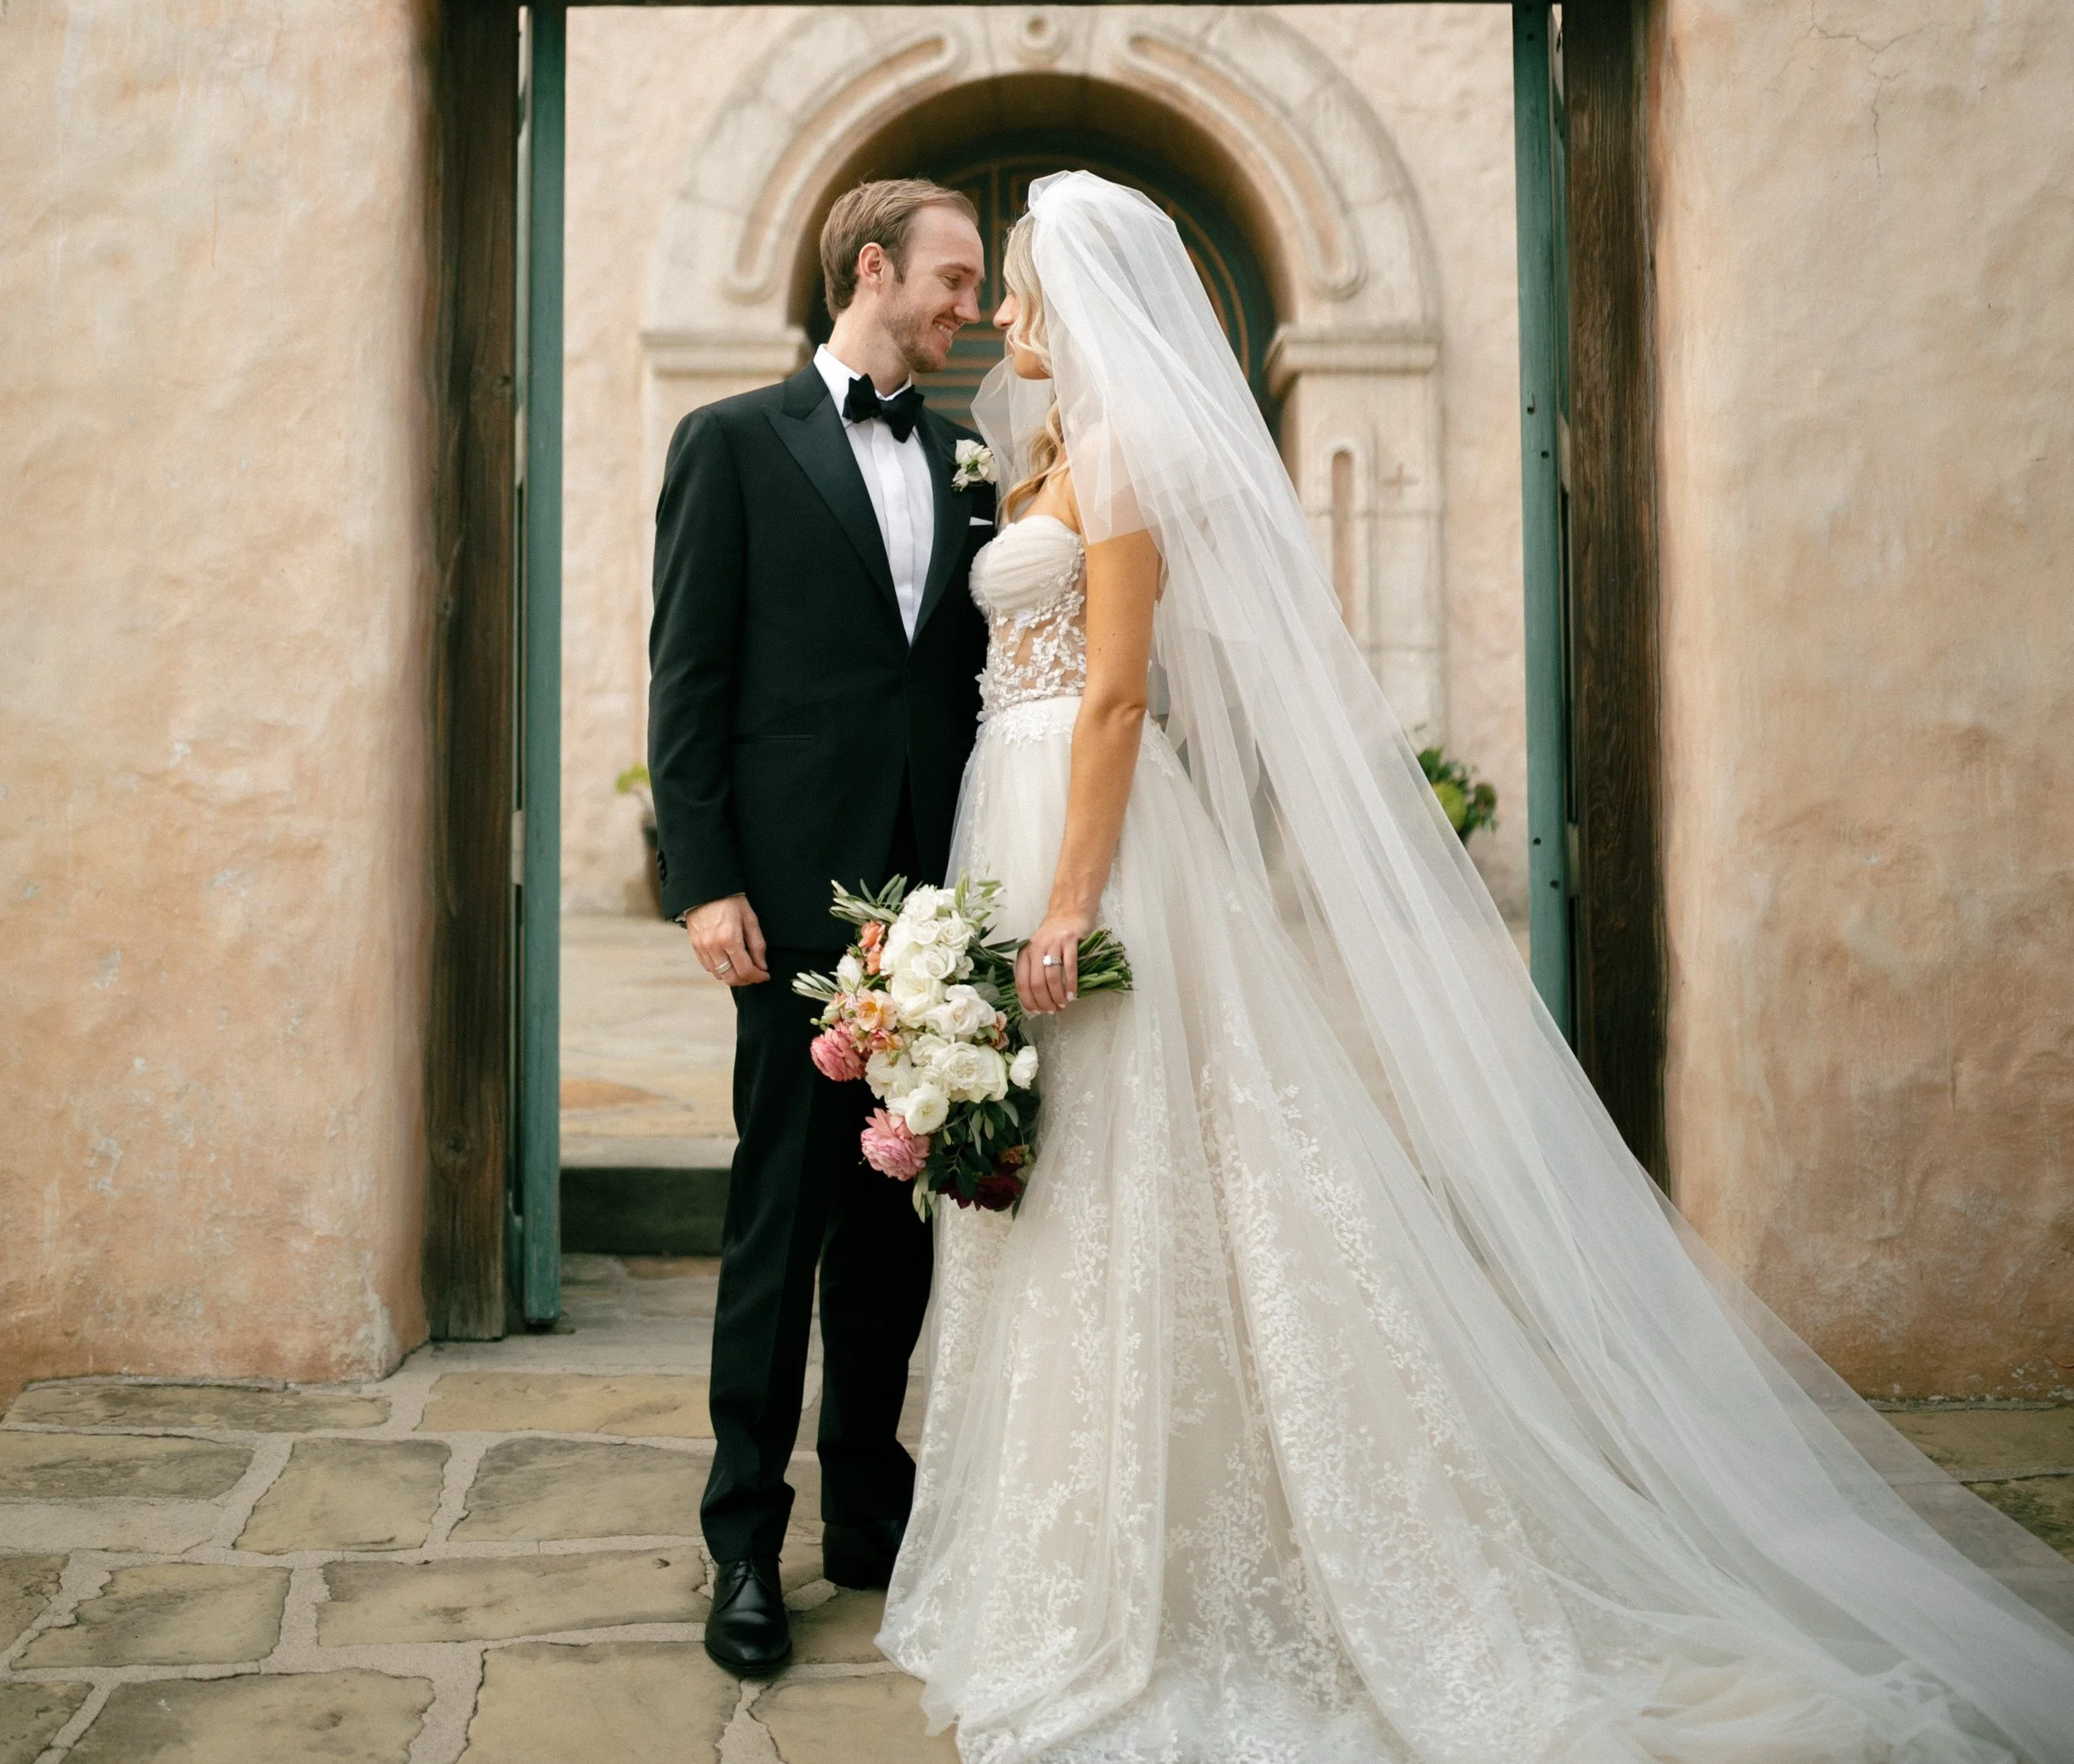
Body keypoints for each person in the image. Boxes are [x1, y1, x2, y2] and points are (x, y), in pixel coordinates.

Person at [881, 171, 2074, 1764]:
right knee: (1075, 1181)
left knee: (1146, 1164)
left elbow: (1113, 698)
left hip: (1089, 850)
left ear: (1084, 302)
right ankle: (1079, 1532)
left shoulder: (1124, 461)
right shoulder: (1044, 456)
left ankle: (1220, 1555)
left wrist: (1067, 903)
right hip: (1009, 817)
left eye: (1022, 290)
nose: (1009, 316)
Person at [647, 176, 995, 1679]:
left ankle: (867, 1503)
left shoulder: (971, 457)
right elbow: (688, 679)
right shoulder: (731, 443)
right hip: (790, 910)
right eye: (955, 276)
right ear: (873, 268)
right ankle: (743, 1536)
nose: (970, 305)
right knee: (778, 1224)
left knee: (899, 1216)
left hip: (934, 904)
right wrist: (704, 876)